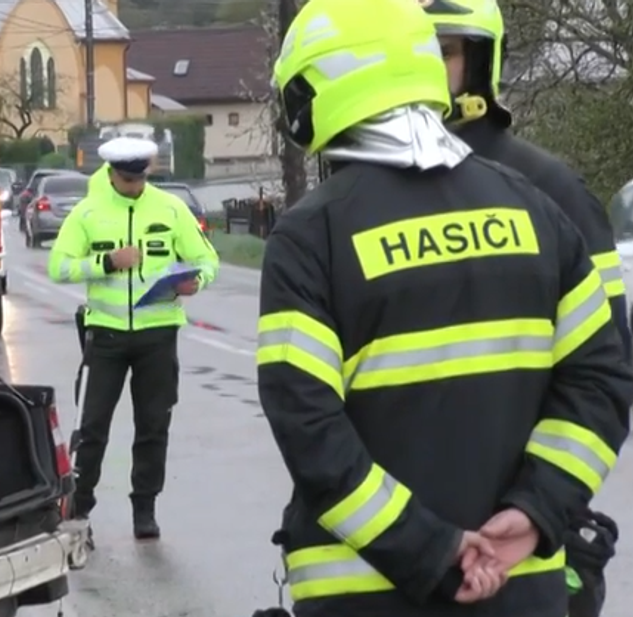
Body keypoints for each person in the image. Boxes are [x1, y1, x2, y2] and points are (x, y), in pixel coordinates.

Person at [255, 1, 632, 616]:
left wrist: (434, 549)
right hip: (521, 587)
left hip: (367, 593)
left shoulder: (310, 238)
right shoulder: (536, 210)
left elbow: (310, 431)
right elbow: (603, 378)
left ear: (315, 90)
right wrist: (536, 511)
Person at [422, 2, 630, 614]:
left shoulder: (551, 189)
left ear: (481, 62)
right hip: (397, 541)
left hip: (525, 532)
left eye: (445, 53)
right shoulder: (359, 195)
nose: (426, 70)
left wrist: (541, 503)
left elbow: (606, 369)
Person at [47, 137, 220, 539]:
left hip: (157, 336)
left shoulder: (170, 208)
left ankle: (145, 508)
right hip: (104, 336)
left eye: (140, 179)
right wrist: (107, 262)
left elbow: (206, 258)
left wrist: (198, 281)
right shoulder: (88, 212)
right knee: (91, 427)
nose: (134, 186)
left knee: (153, 425)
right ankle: (78, 506)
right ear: (111, 174)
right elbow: (59, 266)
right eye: (127, 180)